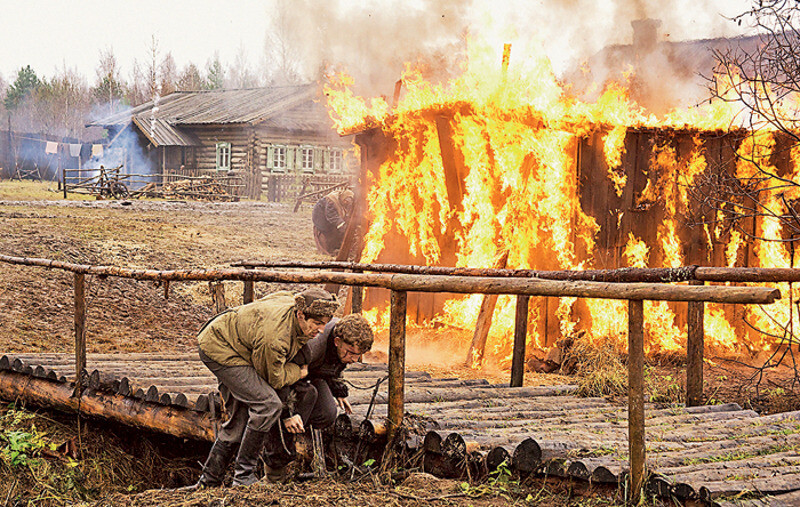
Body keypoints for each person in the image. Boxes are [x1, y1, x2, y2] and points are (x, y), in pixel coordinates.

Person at [191, 287, 340, 488]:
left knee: (240, 416)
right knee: (267, 405)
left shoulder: (293, 303)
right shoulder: (275, 338)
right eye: (316, 323)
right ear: (301, 315)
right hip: (220, 348)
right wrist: (299, 372)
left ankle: (209, 481)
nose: (321, 330)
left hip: (239, 345)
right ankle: (243, 476)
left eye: (325, 324)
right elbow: (275, 379)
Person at [261, 314, 375, 479]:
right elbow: (279, 376)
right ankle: (274, 468)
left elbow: (333, 365)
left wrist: (338, 390)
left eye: (358, 355)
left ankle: (297, 431)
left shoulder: (342, 340)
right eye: (351, 353)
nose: (354, 360)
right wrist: (288, 413)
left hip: (308, 373)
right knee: (306, 397)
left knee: (327, 413)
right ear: (337, 341)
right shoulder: (313, 344)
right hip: (282, 376)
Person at [312, 188, 354, 255]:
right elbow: (332, 216)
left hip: (328, 217)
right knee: (325, 231)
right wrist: (342, 225)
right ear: (343, 197)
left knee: (335, 231)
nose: (346, 202)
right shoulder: (332, 201)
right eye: (345, 200)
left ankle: (334, 248)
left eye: (348, 202)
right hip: (320, 215)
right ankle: (325, 250)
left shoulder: (342, 203)